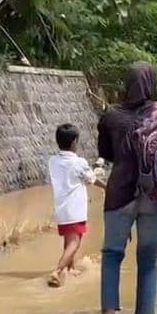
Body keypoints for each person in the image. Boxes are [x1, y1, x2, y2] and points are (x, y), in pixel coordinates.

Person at [94, 62, 157, 314]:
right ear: (151, 83)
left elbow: (106, 153)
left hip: (119, 193)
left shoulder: (111, 115)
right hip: (154, 194)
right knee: (149, 257)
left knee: (111, 254)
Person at [47, 123, 102, 288]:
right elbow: (91, 179)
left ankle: (70, 269)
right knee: (75, 243)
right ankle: (57, 271)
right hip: (75, 210)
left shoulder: (53, 161)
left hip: (61, 210)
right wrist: (107, 187)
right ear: (74, 142)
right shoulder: (79, 162)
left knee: (69, 240)